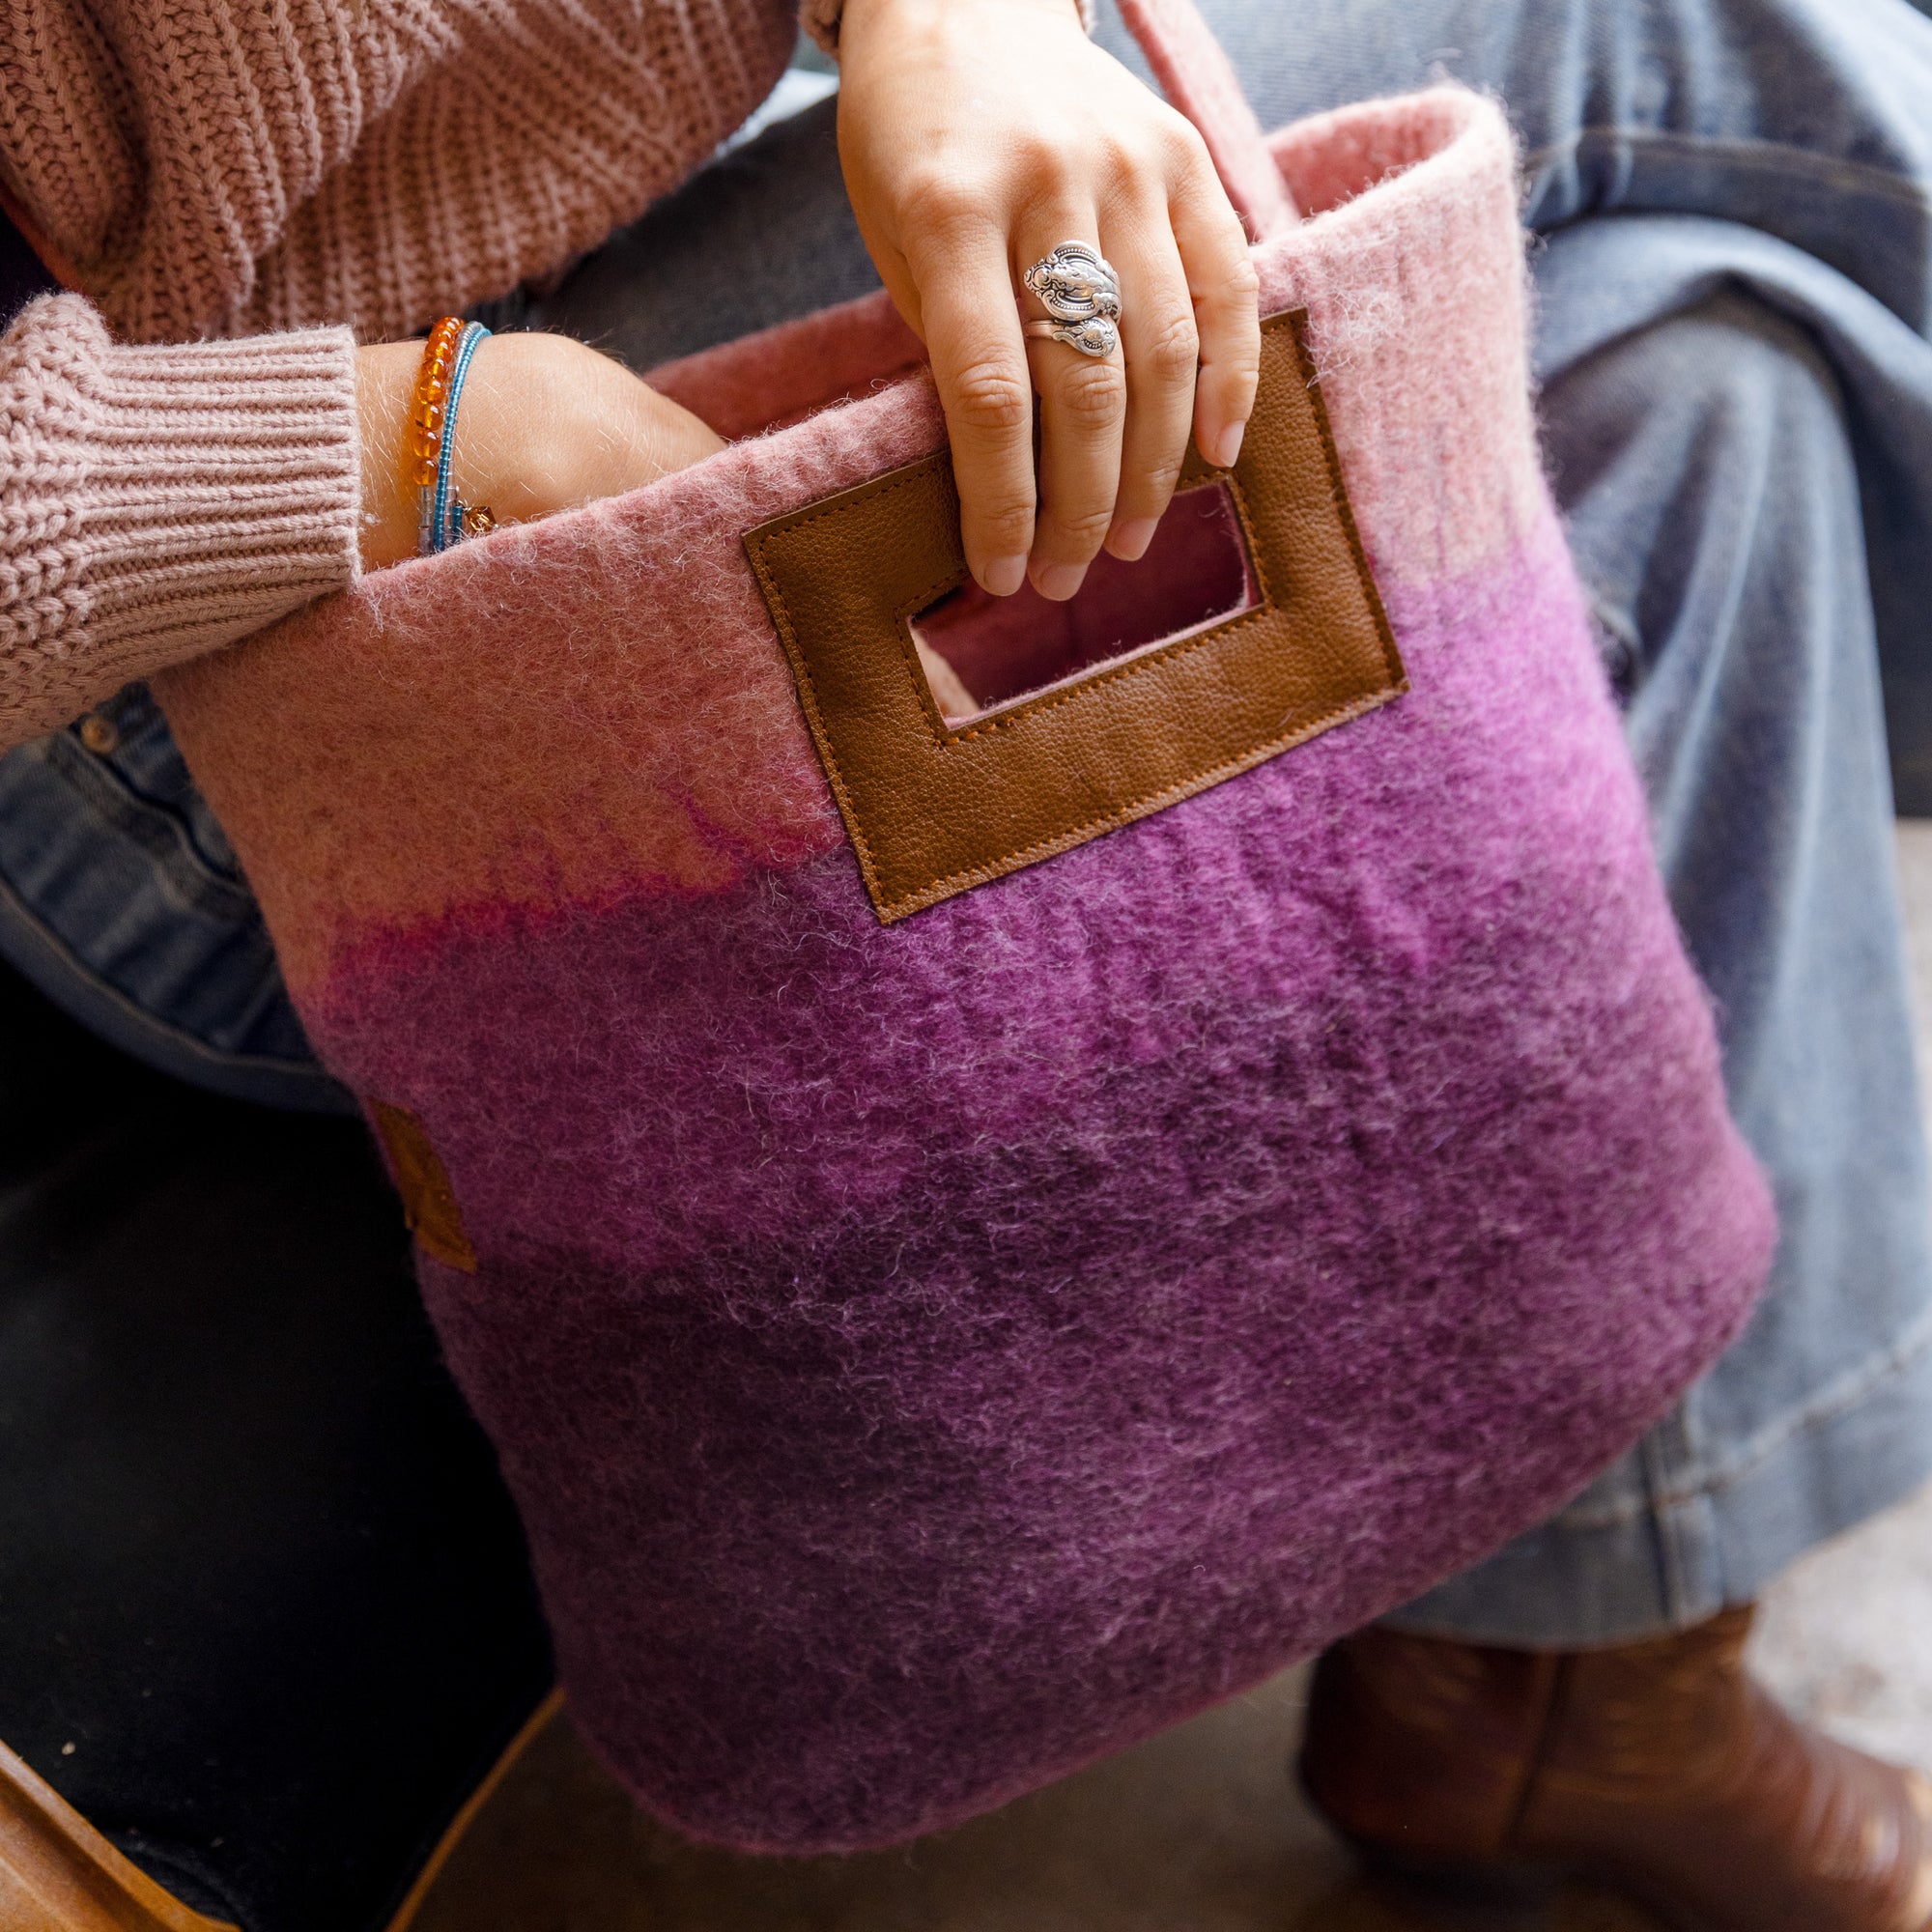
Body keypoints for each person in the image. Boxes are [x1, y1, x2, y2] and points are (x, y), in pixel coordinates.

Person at [2, 0, 1931, 1926]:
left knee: (1701, 377)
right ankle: (1587, 1682)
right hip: (211, 666)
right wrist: (411, 436)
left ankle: (1568, 1695)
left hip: (597, 254)